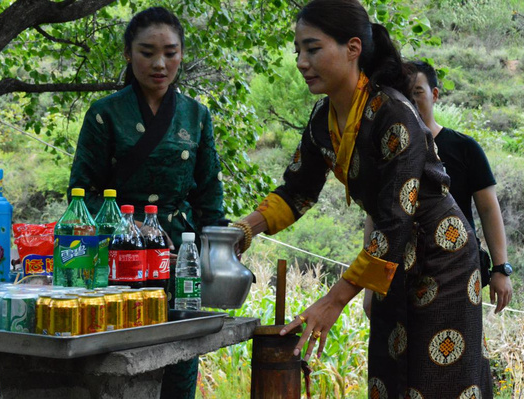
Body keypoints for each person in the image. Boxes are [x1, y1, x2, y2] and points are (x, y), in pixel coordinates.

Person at [232, 0, 492, 396]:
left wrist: (334, 300)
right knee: (390, 376)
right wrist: (240, 232)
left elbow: (396, 219)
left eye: (313, 48)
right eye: (297, 51)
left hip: (443, 257)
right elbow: (297, 192)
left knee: (435, 379)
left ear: (353, 48)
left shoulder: (393, 112)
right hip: (390, 258)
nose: (302, 61)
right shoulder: (322, 120)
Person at [67, 7, 224, 399]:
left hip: (178, 255)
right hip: (117, 258)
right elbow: (80, 195)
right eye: (147, 52)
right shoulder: (105, 114)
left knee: (180, 359)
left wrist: (218, 257)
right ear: (127, 54)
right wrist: (124, 225)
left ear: (182, 55)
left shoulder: (197, 116)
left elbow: (209, 198)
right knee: (117, 358)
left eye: (170, 52)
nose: (160, 63)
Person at [363, 60, 513, 318]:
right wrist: (369, 286)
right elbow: (375, 218)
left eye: (417, 92)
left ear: (434, 94)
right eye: (403, 94)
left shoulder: (465, 148)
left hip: (457, 274)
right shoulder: (386, 154)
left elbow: (489, 210)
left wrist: (501, 269)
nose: (410, 99)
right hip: (399, 274)